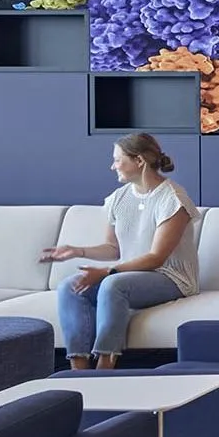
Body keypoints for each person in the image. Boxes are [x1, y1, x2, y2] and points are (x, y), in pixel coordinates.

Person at [41, 133, 198, 369]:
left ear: (139, 161)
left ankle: (105, 366)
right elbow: (113, 248)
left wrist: (107, 273)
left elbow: (157, 258)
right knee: (69, 287)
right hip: (129, 273)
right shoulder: (119, 198)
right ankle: (79, 370)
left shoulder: (173, 198)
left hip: (171, 277)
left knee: (113, 285)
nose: (112, 166)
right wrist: (76, 250)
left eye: (117, 159)